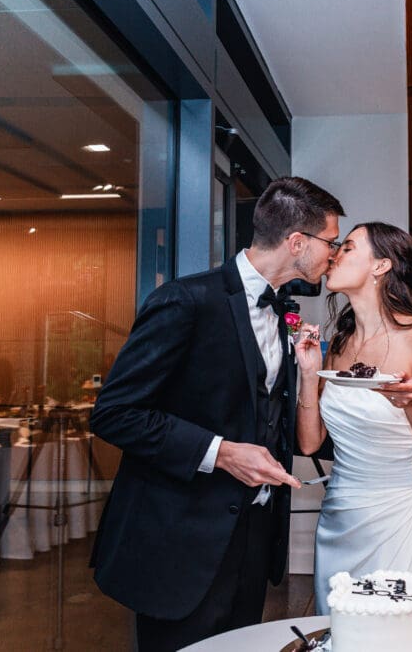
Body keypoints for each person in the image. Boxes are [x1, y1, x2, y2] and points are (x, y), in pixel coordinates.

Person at [88, 177, 344, 651]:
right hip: (180, 540)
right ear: (296, 242)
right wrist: (221, 453)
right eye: (331, 241)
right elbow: (115, 413)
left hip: (252, 537)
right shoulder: (185, 301)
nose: (335, 253)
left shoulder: (284, 312)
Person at [293, 222, 412, 615]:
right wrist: (309, 373)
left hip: (398, 520)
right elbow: (310, 444)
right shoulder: (342, 341)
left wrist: (410, 403)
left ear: (381, 265)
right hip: (338, 519)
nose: (334, 255)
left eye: (347, 248)